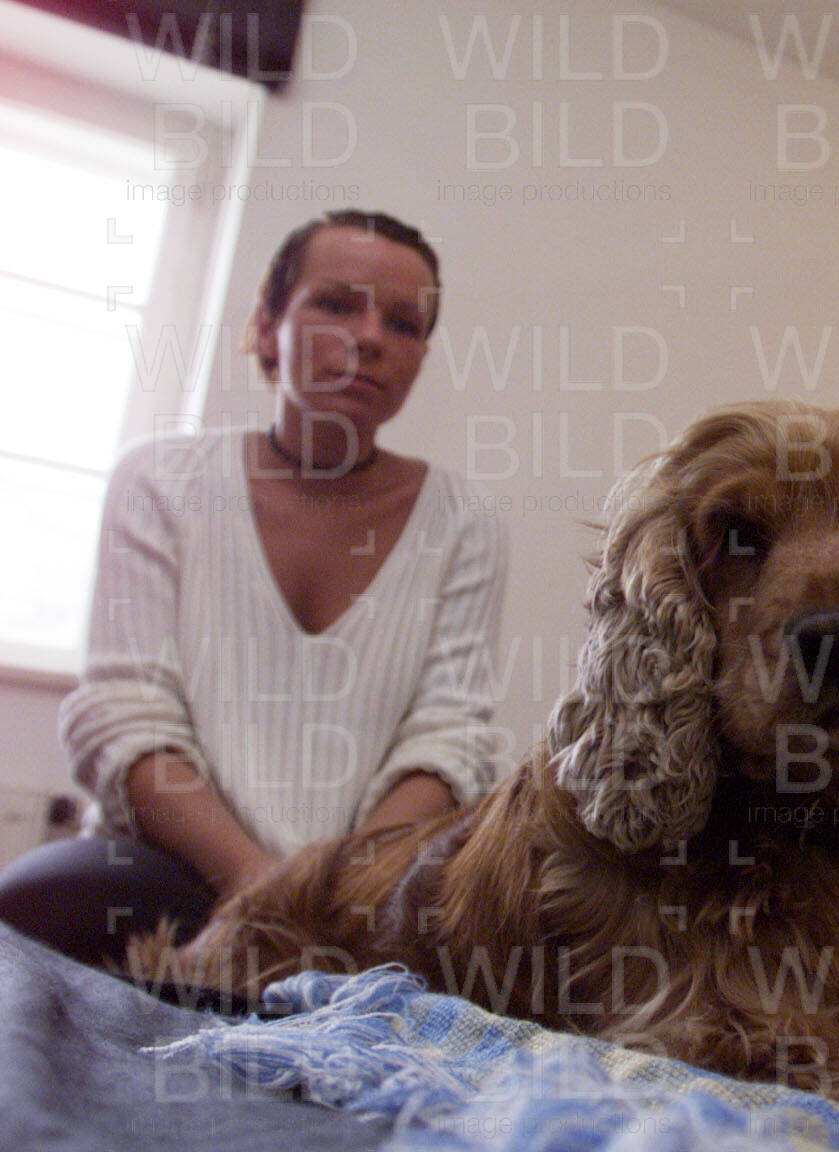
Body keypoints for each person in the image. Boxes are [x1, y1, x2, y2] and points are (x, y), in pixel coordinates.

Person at [0, 210, 508, 968]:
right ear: (268, 329)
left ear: (420, 357)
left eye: (403, 323)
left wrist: (333, 900)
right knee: (41, 902)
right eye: (336, 304)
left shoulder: (465, 521)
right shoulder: (158, 481)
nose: (370, 337)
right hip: (165, 879)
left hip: (360, 900)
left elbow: (450, 742)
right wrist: (262, 893)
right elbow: (124, 714)